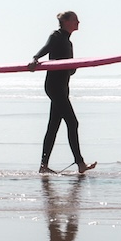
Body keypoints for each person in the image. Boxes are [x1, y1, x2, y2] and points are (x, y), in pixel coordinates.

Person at [29, 11, 96, 174]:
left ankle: (43, 166)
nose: (78, 22)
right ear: (66, 21)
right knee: (73, 123)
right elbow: (46, 48)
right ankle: (80, 163)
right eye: (75, 19)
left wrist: (75, 66)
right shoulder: (57, 36)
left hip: (63, 87)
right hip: (54, 86)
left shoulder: (69, 43)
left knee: (53, 126)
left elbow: (70, 71)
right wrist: (35, 58)